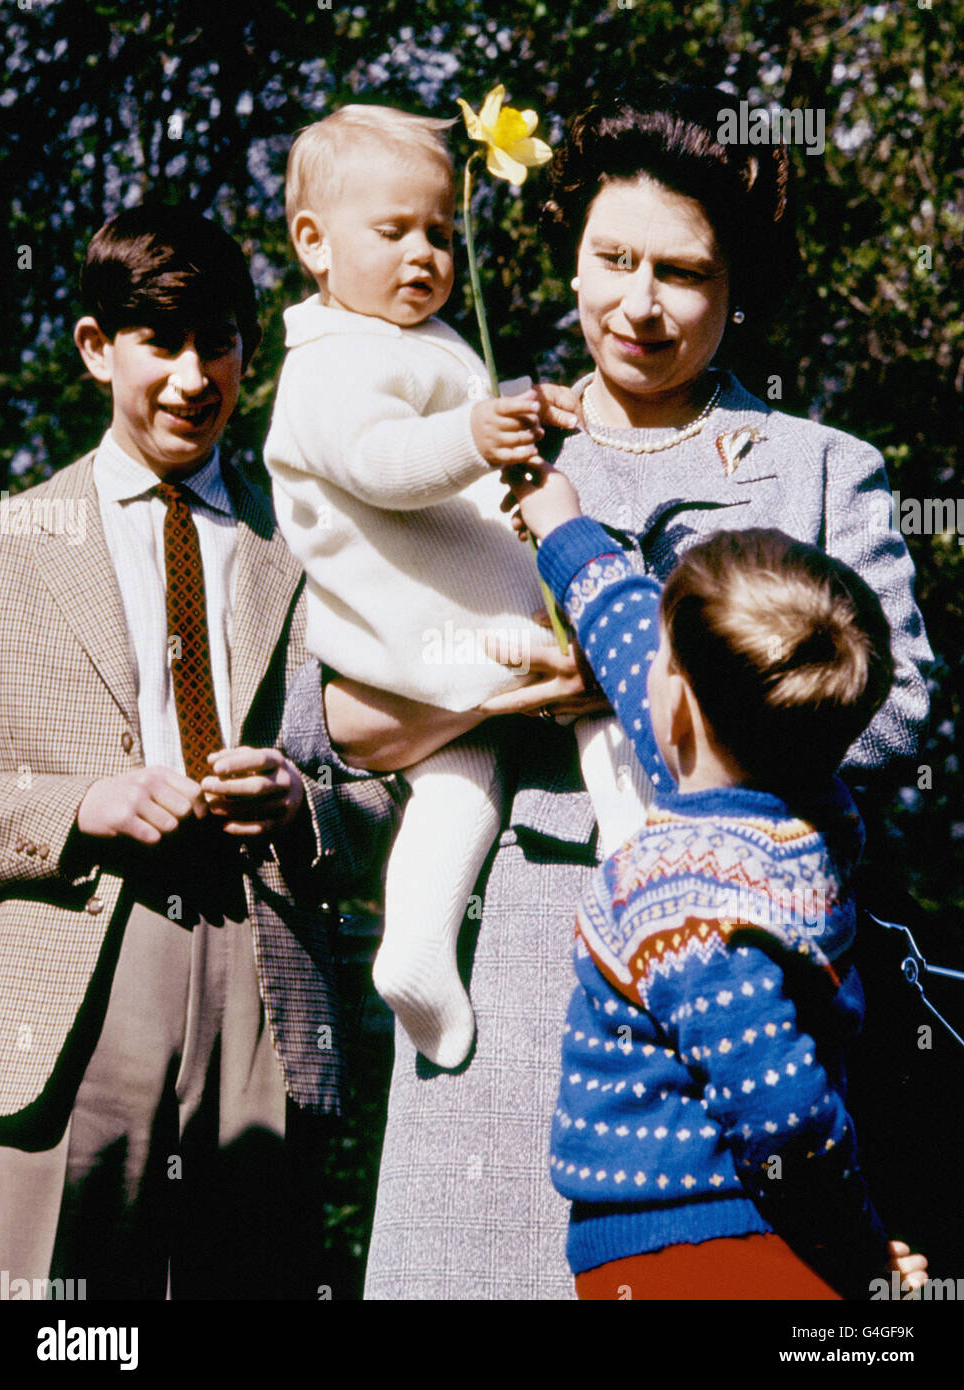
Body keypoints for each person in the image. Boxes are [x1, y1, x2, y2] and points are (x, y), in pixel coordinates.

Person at [283, 86, 932, 1300]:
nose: (637, 304)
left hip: (730, 1032)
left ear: (735, 288)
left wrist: (630, 679)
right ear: (570, 258)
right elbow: (328, 727)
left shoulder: (820, 470)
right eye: (611, 259)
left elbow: (893, 722)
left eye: (681, 273)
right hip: (491, 983)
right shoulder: (479, 439)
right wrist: (513, 695)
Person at [0, 205, 374, 1299]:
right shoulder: (1, 545)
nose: (194, 376)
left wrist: (305, 802)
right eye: (160, 341)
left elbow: (387, 790)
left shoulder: (307, 551)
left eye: (218, 341)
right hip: (72, 979)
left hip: (265, 975)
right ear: (95, 347)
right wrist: (76, 807)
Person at [264, 104, 645, 1072]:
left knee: (456, 773)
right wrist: (475, 435)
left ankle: (417, 944)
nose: (423, 254)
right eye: (391, 232)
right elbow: (382, 461)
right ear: (313, 243)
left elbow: (458, 450)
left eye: (440, 232)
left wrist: (514, 419)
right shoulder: (329, 360)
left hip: (433, 626)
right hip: (425, 622)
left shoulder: (415, 338)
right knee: (587, 661)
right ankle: (637, 837)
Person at [503, 463, 928, 1299]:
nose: (642, 666)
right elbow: (632, 639)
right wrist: (563, 530)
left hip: (694, 1253)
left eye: (664, 661)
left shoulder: (686, 897)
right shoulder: (803, 808)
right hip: (744, 1240)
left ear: (681, 714)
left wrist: (857, 1252)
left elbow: (785, 1115)